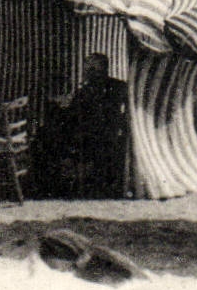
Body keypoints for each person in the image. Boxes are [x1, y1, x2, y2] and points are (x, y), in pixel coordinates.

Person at [33, 52, 129, 199]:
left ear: (97, 71)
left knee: (43, 138)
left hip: (89, 141)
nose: (86, 73)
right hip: (109, 136)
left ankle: (47, 186)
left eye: (89, 70)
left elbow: (72, 114)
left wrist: (58, 106)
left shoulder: (87, 91)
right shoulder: (118, 86)